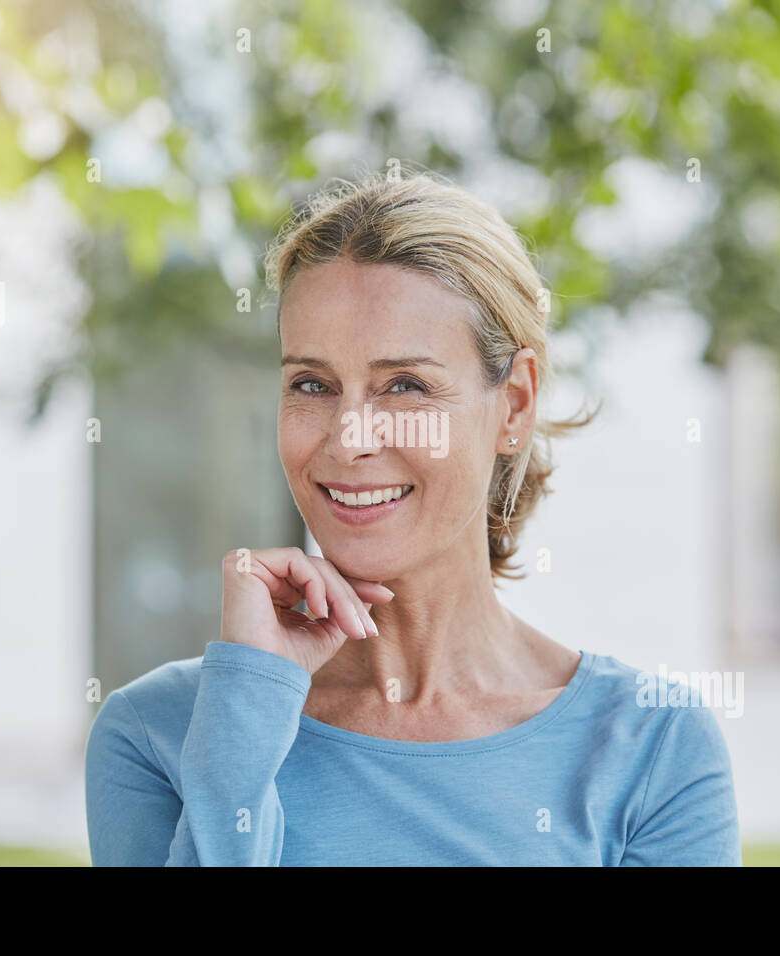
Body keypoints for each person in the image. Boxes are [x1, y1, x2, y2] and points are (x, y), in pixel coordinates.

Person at [85, 171, 741, 865]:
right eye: (312, 385)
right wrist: (245, 719)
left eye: (405, 386)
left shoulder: (650, 750)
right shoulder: (158, 733)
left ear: (514, 405)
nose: (348, 437)